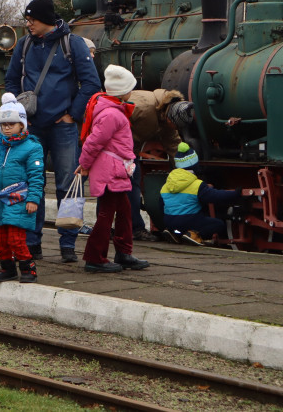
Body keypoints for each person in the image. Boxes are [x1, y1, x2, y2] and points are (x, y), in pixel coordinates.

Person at [5, 0, 102, 262]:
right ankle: (31, 242)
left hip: (63, 127)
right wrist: (17, 111)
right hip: (31, 127)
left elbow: (91, 83)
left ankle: (68, 243)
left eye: (32, 19)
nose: (28, 24)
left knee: (69, 185)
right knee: (30, 184)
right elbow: (11, 80)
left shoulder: (73, 44)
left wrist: (72, 115)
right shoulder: (24, 45)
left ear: (46, 19)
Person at [77, 65, 150, 273]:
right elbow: (94, 142)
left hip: (114, 169)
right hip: (111, 170)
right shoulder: (112, 114)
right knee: (107, 214)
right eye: (130, 88)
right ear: (122, 91)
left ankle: (123, 252)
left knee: (124, 211)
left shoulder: (111, 110)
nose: (132, 91)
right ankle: (95, 257)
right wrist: (84, 164)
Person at [0, 94, 44, 282]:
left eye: (11, 124)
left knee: (16, 238)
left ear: (22, 124)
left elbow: (36, 177)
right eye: (3, 125)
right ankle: (7, 268)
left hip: (18, 199)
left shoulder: (32, 148)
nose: (7, 128)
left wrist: (33, 199)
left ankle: (28, 269)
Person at [124, 88, 184, 241]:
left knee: (131, 187)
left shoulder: (166, 118)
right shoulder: (142, 107)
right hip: (116, 149)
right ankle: (131, 229)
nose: (175, 128)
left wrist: (185, 169)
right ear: (168, 116)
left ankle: (132, 228)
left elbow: (173, 144)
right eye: (174, 124)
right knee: (115, 188)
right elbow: (111, 121)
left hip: (128, 151)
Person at [161, 143, 250, 245]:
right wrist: (235, 193)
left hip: (169, 221)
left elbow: (161, 206)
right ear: (194, 165)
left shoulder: (166, 185)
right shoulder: (197, 185)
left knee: (185, 219)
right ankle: (193, 234)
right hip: (188, 221)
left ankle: (175, 233)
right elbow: (215, 196)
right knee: (218, 224)